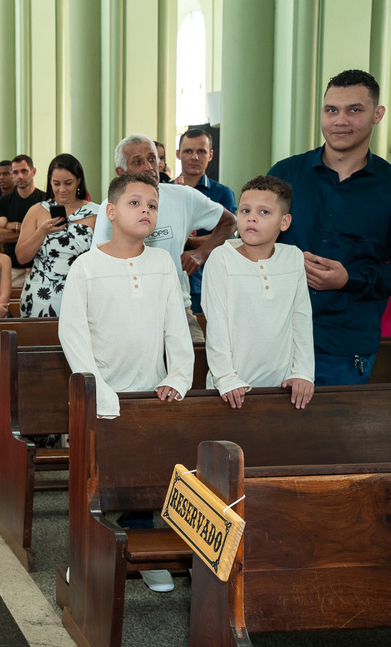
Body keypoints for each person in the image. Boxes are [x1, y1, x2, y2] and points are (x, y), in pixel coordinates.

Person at [59, 172, 193, 593]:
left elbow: (177, 327)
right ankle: (83, 558)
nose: (146, 211)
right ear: (111, 212)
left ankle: (145, 552)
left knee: (146, 479)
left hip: (150, 392)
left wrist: (178, 375)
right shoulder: (87, 266)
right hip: (101, 394)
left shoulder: (162, 263)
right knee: (94, 483)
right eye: (136, 203)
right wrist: (97, 387)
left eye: (152, 205)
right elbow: (73, 333)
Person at [269, 69, 390, 385]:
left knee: (329, 436)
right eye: (331, 110)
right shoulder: (285, 174)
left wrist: (350, 279)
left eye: (354, 110)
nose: (340, 120)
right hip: (274, 338)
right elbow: (250, 242)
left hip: (343, 346)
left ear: (377, 114)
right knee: (261, 435)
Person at [92, 134, 236, 344]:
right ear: (121, 173)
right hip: (127, 311)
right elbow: (99, 262)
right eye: (138, 162)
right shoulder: (111, 207)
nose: (149, 167)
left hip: (178, 308)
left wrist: (202, 252)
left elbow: (230, 221)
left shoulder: (183, 197)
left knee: (196, 367)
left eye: (152, 159)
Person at [201, 176, 314, 409]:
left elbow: (300, 318)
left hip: (281, 387)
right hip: (229, 389)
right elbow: (217, 324)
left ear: (284, 222)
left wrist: (303, 372)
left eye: (264, 212)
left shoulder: (292, 257)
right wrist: (225, 377)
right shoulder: (221, 259)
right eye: (245, 210)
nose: (251, 217)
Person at [16, 154, 99, 317]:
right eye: (56, 183)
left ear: (79, 181)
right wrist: (42, 232)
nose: (62, 189)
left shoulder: (96, 213)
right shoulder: (37, 211)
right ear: (49, 182)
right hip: (41, 293)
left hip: (82, 292)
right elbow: (21, 257)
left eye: (68, 183)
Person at [175, 129, 236, 314]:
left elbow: (228, 238)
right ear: (178, 154)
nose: (194, 157)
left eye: (201, 151)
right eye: (188, 151)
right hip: (170, 278)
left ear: (210, 155)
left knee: (202, 337)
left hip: (207, 280)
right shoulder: (165, 192)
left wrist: (188, 241)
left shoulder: (222, 193)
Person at [0, 154, 44, 286]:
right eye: (15, 172)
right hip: (12, 267)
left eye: (24, 171)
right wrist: (35, 232)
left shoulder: (45, 200)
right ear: (12, 174)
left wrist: (13, 226)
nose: (20, 176)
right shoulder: (4, 201)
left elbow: (50, 234)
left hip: (40, 266)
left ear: (33, 171)